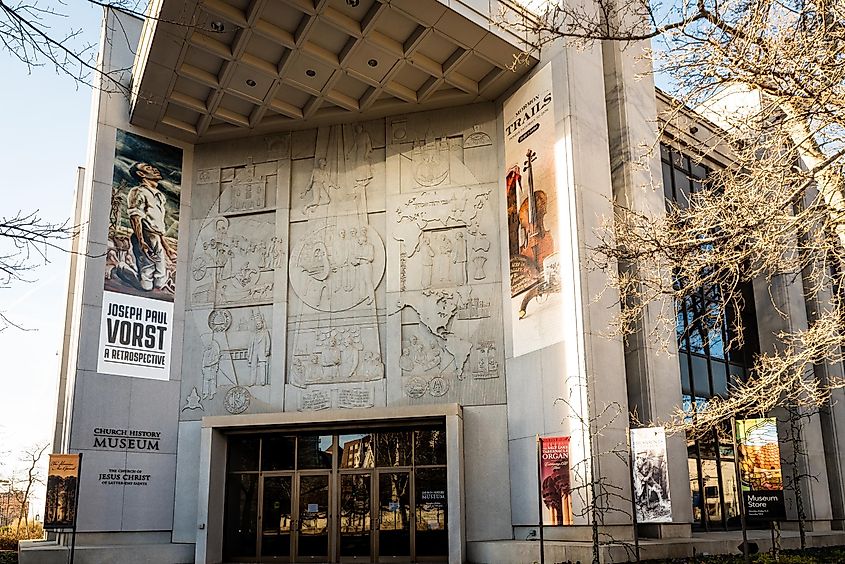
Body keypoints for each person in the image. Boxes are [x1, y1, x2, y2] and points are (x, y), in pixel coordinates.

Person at [124, 162, 176, 292]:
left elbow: (158, 227)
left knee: (160, 281)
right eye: (148, 168)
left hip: (156, 239)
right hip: (145, 236)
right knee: (146, 283)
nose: (154, 169)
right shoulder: (138, 192)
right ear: (141, 174)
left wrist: (167, 247)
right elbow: (135, 217)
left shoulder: (159, 196)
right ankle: (122, 269)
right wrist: (141, 241)